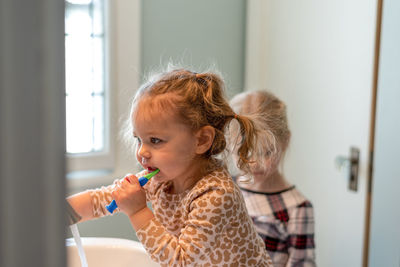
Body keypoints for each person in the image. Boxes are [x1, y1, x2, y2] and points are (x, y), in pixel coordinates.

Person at [67, 68, 273, 266]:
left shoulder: (217, 194)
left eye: (155, 140)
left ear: (201, 140)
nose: (141, 152)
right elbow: (100, 200)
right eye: (139, 139)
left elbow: (180, 262)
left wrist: (138, 211)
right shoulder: (161, 180)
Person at [229, 90, 316, 267]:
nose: (254, 163)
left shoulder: (296, 209)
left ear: (285, 142)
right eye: (243, 153)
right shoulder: (223, 188)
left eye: (266, 152)